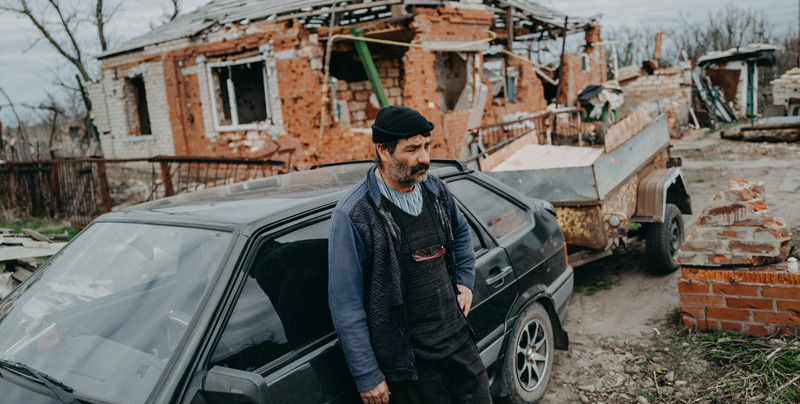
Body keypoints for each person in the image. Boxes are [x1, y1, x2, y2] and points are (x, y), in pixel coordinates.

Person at [328, 105, 492, 404]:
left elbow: (462, 235)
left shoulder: (436, 190)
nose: (425, 159)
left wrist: (466, 282)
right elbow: (345, 303)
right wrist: (367, 374)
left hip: (458, 342)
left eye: (427, 146)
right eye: (413, 149)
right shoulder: (354, 214)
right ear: (384, 150)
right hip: (411, 364)